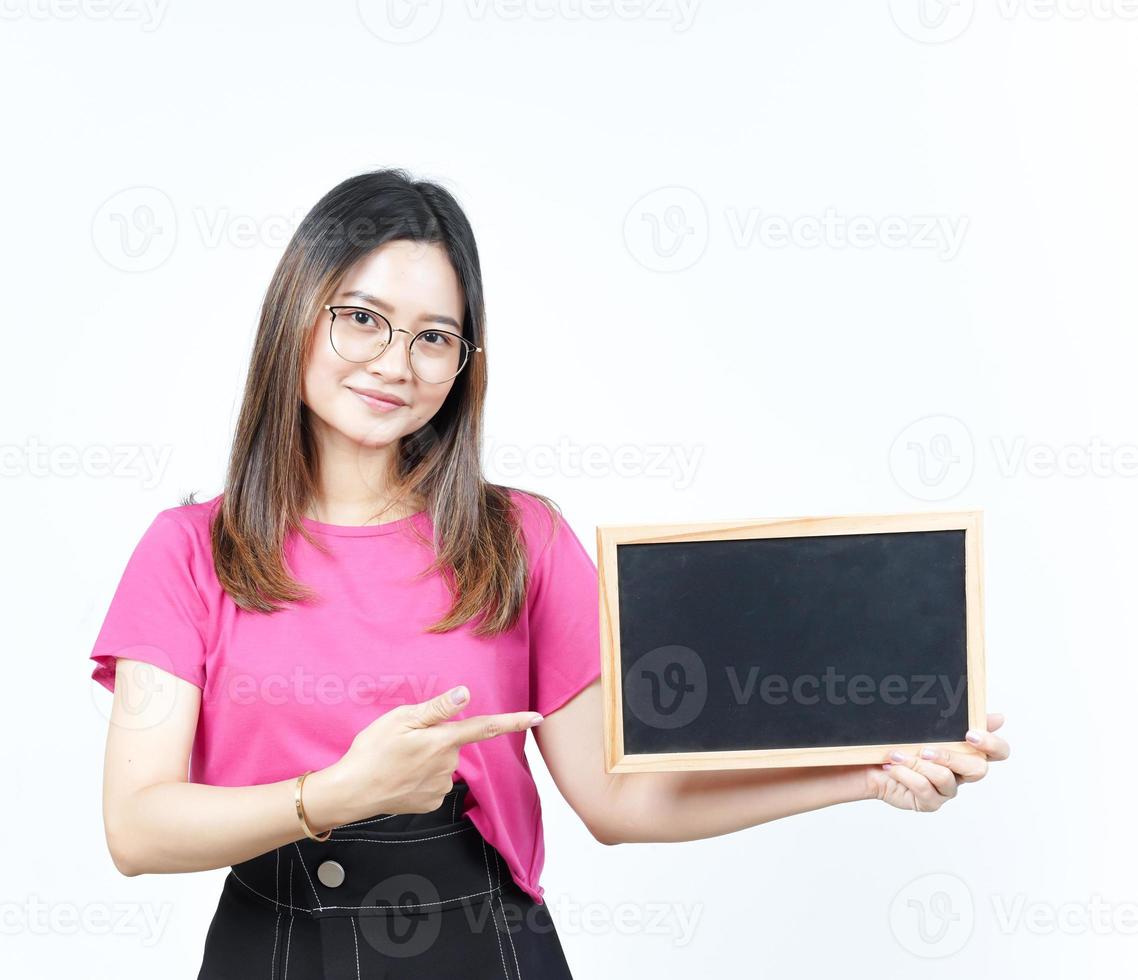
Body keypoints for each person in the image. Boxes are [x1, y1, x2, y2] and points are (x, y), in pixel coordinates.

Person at [88, 168, 1011, 979]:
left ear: (464, 363)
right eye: (362, 319)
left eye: (434, 338)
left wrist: (865, 767)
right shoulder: (189, 550)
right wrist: (338, 794)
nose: (393, 364)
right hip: (274, 950)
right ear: (296, 313)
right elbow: (137, 827)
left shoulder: (517, 539)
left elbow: (621, 797)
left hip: (486, 952)